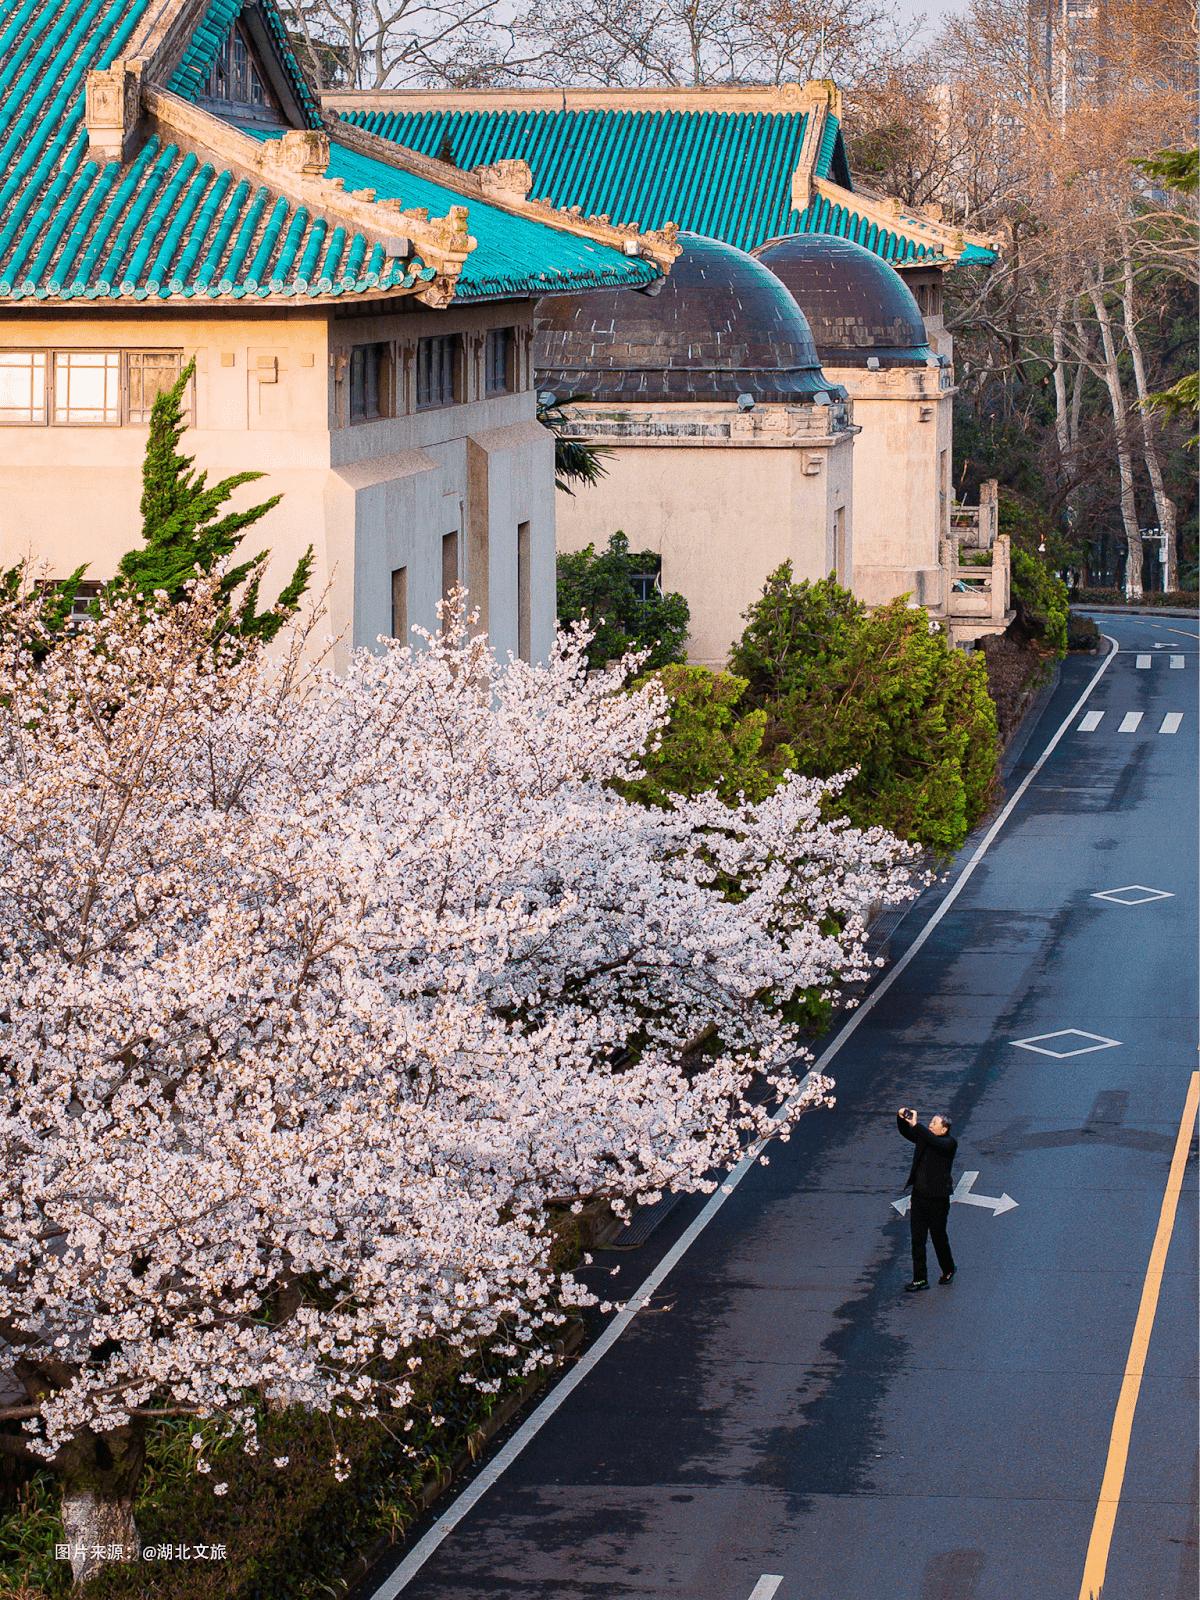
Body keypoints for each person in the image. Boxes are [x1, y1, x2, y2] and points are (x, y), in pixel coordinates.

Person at [896, 1108, 957, 1291]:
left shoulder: (949, 1143)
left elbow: (931, 1140)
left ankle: (948, 1268)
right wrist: (901, 1118)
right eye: (930, 1122)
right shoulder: (925, 1137)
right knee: (917, 1239)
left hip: (938, 1200)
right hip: (919, 1197)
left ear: (944, 1129)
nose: (930, 1125)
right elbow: (907, 1132)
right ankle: (920, 1279)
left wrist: (918, 1125)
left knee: (938, 1238)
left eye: (934, 1124)